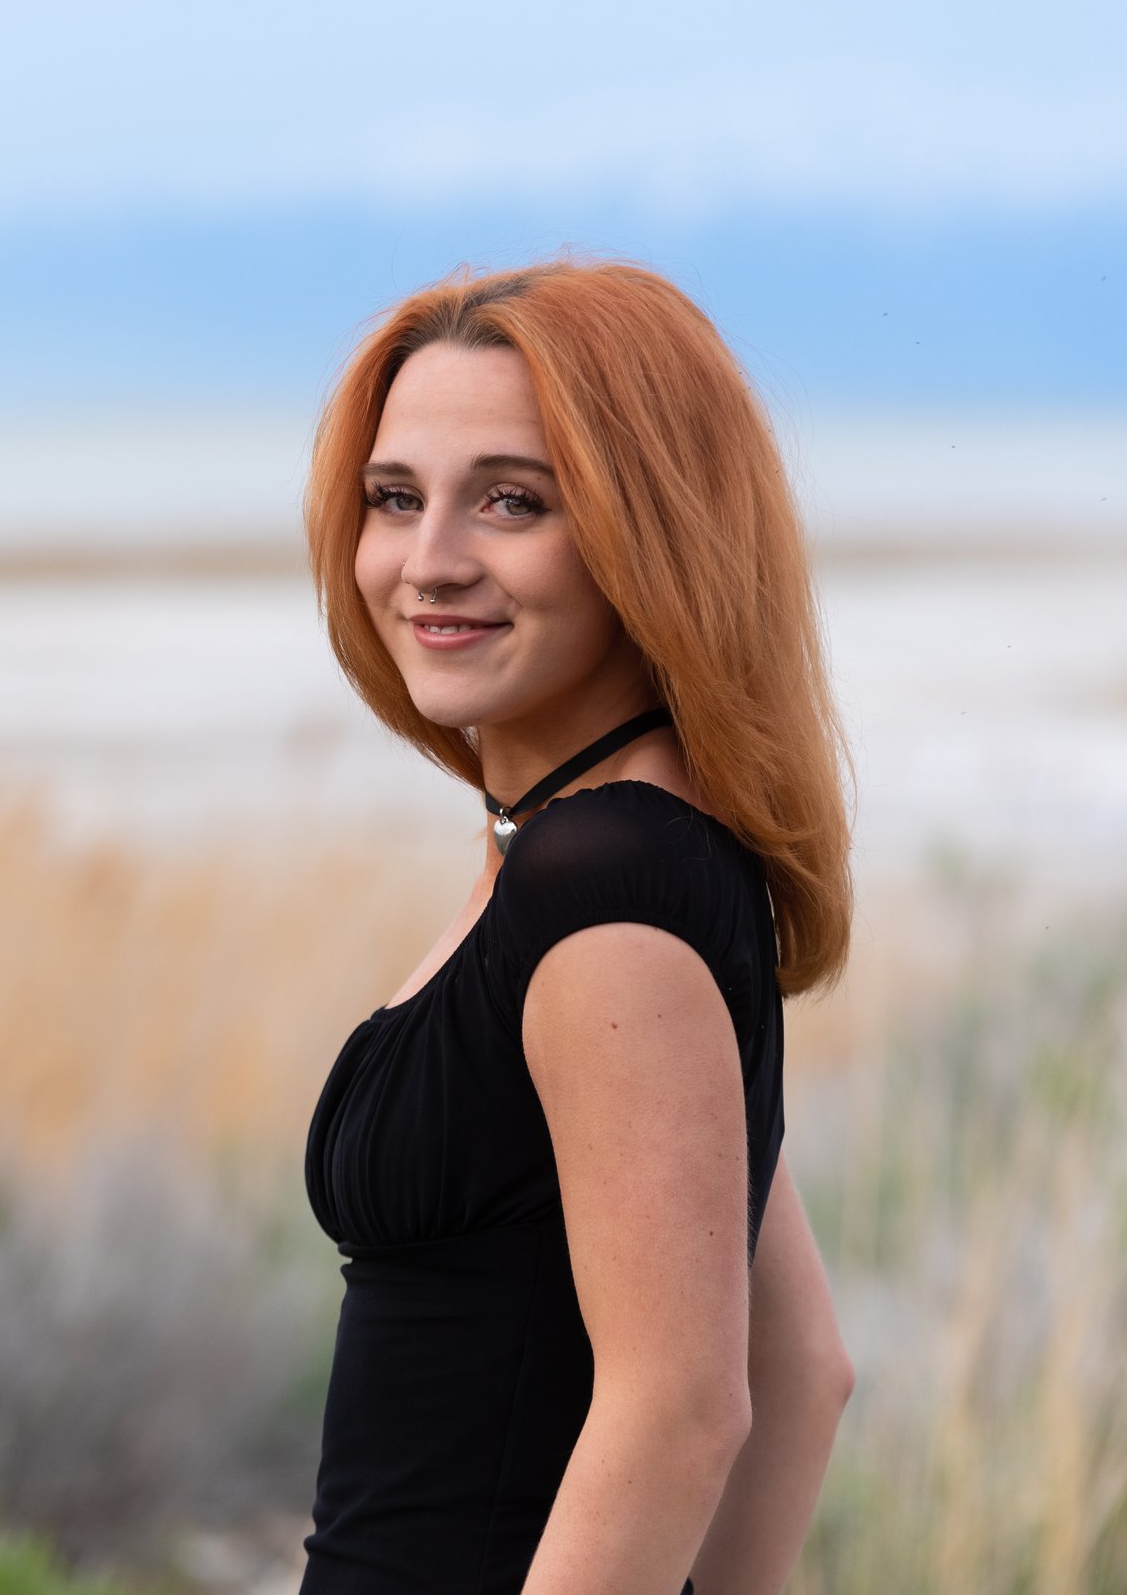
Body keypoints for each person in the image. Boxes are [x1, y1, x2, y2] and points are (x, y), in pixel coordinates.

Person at [298, 260, 857, 1594]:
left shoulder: (600, 890)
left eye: (512, 501)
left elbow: (681, 1411)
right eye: (395, 499)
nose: (430, 561)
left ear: (644, 525)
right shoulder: (594, 850)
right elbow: (798, 1369)